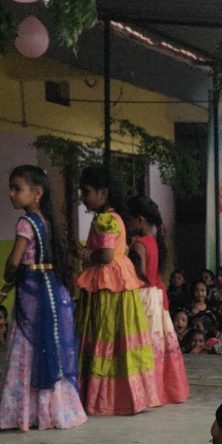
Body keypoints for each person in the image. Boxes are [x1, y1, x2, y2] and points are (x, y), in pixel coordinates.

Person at [0, 165, 85, 431]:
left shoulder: (25, 223)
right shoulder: (48, 221)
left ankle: (23, 413)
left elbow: (14, 263)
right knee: (51, 347)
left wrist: (4, 285)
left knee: (27, 347)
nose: (11, 194)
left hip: (33, 294)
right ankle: (57, 411)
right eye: (11, 188)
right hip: (53, 291)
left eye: (17, 189)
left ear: (37, 193)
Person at [73, 165, 156, 415]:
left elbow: (106, 255)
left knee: (105, 336)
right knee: (119, 341)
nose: (83, 197)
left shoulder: (106, 219)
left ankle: (102, 398)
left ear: (103, 193)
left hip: (107, 284)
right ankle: (125, 398)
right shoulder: (115, 217)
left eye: (86, 191)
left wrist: (82, 252)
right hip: (118, 281)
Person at [124, 195, 190, 407]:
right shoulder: (154, 240)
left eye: (131, 219)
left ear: (140, 219)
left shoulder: (139, 244)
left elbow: (140, 273)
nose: (128, 223)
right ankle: (161, 390)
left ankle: (146, 392)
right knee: (158, 346)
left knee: (144, 345)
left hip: (144, 296)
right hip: (157, 295)